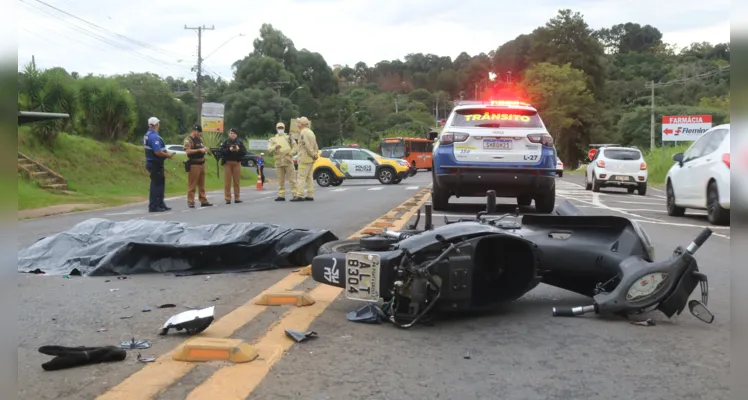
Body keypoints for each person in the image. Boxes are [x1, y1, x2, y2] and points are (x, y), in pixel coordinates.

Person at [142, 117, 174, 212]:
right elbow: (157, 152)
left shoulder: (147, 135)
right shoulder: (154, 136)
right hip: (155, 162)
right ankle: (154, 205)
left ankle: (160, 203)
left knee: (160, 183)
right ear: (156, 124)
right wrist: (167, 155)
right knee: (156, 184)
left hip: (153, 162)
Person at [183, 124, 213, 208]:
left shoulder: (200, 139)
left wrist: (204, 149)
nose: (199, 134)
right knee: (192, 184)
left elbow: (202, 146)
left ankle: (203, 200)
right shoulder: (188, 140)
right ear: (194, 131)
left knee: (202, 184)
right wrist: (199, 150)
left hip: (201, 163)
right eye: (198, 132)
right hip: (194, 164)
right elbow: (188, 151)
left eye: (200, 132)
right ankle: (190, 201)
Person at [291, 116, 319, 202]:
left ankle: (300, 195)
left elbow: (307, 146)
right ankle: (310, 195)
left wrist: (313, 154)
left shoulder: (303, 133)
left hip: (304, 158)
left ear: (302, 124)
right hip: (310, 159)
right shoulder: (311, 132)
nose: (297, 124)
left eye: (298, 122)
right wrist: (315, 154)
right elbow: (315, 145)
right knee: (309, 177)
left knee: (301, 177)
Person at [267, 122, 297, 201]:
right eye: (279, 128)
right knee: (280, 180)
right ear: (276, 129)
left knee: (292, 179)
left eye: (282, 128)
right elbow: (269, 149)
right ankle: (281, 195)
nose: (280, 129)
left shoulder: (289, 137)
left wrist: (290, 154)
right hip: (278, 161)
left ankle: (295, 194)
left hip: (288, 160)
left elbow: (295, 147)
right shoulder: (273, 139)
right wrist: (275, 147)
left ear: (284, 128)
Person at [219, 128, 247, 204]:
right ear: (229, 134)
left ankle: (237, 198)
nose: (232, 134)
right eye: (231, 133)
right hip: (227, 163)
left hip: (236, 163)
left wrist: (238, 150)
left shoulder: (240, 142)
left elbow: (244, 152)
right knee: (227, 181)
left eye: (234, 133)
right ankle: (227, 198)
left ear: (236, 135)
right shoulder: (225, 142)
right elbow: (221, 151)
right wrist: (229, 149)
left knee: (236, 181)